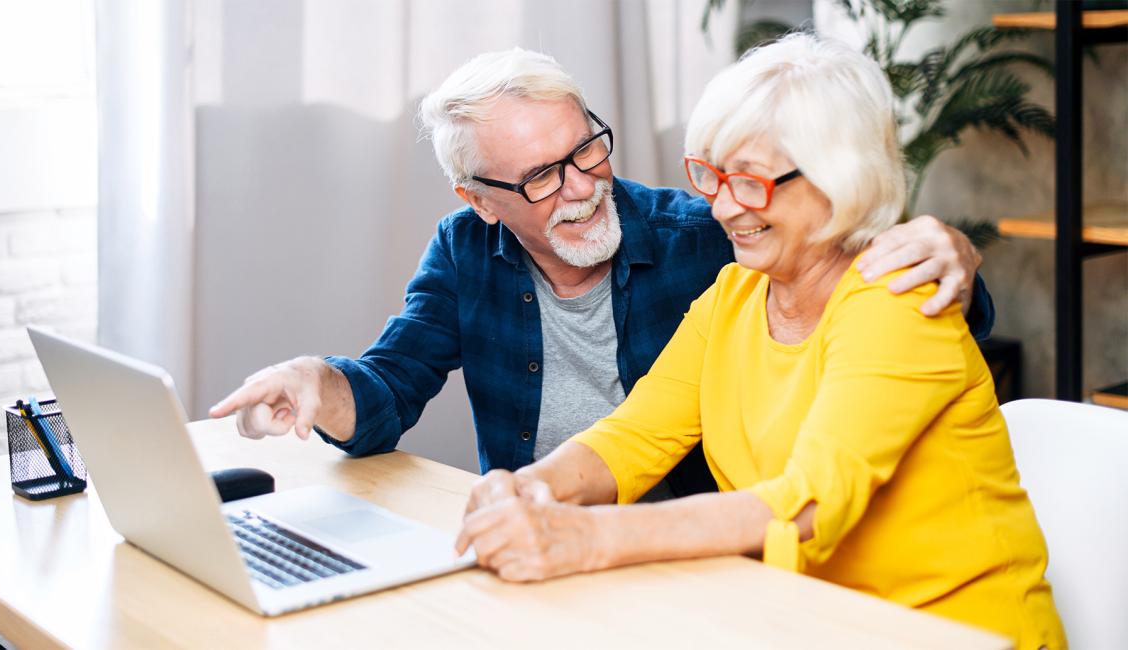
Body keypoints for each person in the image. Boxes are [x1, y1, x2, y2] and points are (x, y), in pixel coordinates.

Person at [453, 35, 1063, 649]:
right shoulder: (736, 292)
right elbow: (635, 434)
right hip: (808, 623)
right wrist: (534, 486)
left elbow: (806, 506)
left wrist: (581, 538)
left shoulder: (896, 301)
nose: (721, 207)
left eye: (749, 181)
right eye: (712, 176)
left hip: (952, 632)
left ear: (838, 177)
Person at [209, 47, 993, 499]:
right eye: (541, 177)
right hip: (561, 537)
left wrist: (949, 258)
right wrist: (318, 381)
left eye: (586, 150)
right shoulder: (466, 251)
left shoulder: (708, 237)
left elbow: (878, 294)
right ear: (480, 199)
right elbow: (391, 389)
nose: (583, 187)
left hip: (703, 558)